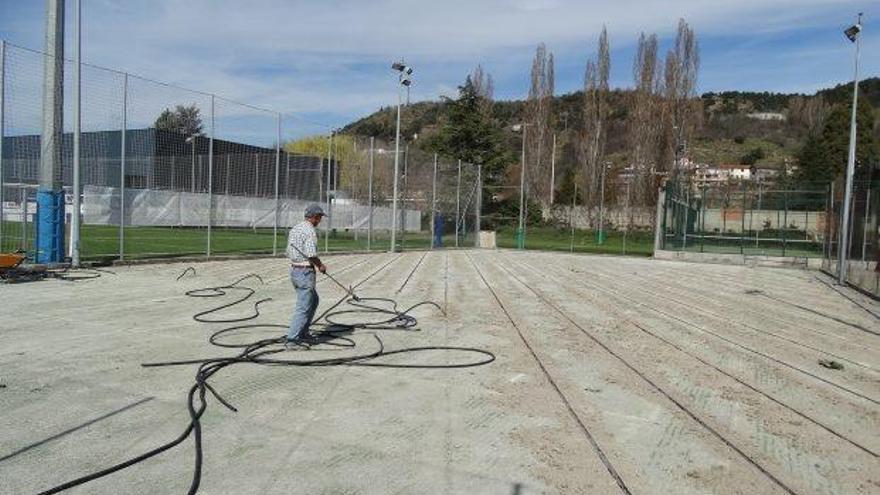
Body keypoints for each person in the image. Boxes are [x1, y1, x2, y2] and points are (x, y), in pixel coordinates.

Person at [285, 204, 327, 347]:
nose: (320, 220)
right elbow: (311, 254)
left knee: (313, 300)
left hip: (294, 271)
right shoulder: (310, 231)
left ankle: (303, 332)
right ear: (315, 216)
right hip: (304, 272)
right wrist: (320, 265)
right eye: (320, 217)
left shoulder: (296, 228)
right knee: (303, 306)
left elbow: (288, 250)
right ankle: (292, 339)